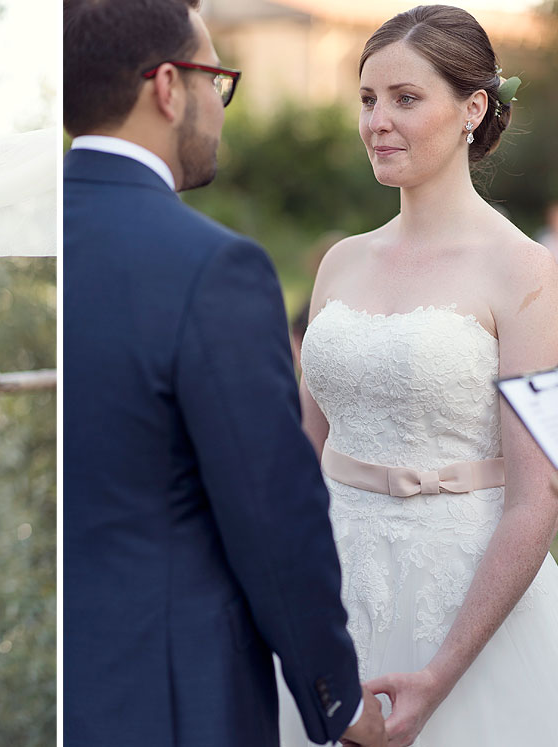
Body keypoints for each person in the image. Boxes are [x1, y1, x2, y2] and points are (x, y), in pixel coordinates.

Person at [63, 0, 386, 745]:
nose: (220, 103)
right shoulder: (212, 267)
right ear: (169, 86)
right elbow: (271, 511)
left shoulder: (43, 241)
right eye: (217, 77)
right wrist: (335, 695)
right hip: (173, 695)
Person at [283, 5, 558, 746]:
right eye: (368, 100)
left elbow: (539, 500)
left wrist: (439, 674)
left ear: (472, 109)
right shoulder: (340, 261)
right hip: (332, 593)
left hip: (462, 607)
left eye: (406, 98)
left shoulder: (531, 274)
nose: (378, 120)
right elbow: (300, 463)